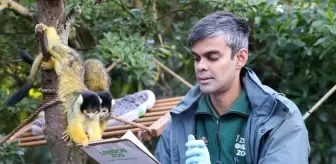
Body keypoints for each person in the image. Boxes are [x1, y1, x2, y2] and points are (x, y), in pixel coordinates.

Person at [154, 11, 310, 164]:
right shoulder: (180, 118)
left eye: (212, 57)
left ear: (240, 58)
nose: (200, 66)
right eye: (197, 58)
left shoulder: (280, 117)